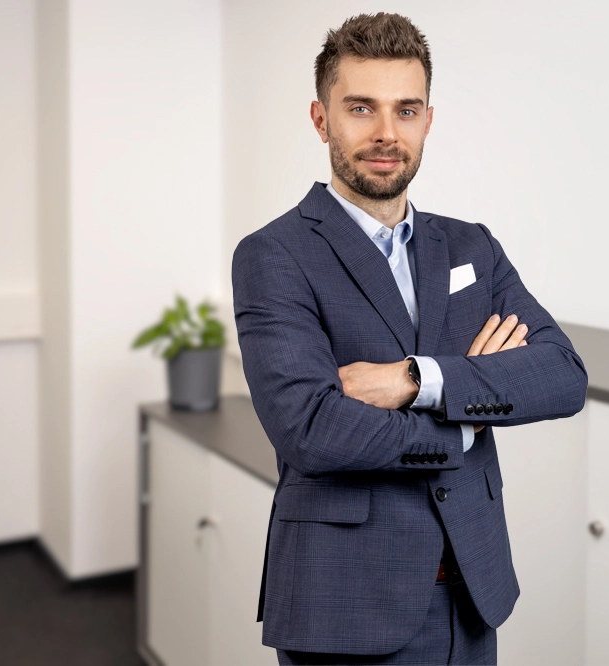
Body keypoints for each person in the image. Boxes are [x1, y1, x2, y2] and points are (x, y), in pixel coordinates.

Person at [232, 12, 588, 665]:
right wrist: (463, 424)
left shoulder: (472, 247)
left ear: (428, 119)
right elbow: (310, 427)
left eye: (407, 109)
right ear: (321, 119)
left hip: (473, 593)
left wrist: (418, 380)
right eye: (362, 108)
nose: (387, 133)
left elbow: (563, 375)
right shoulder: (274, 255)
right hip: (347, 604)